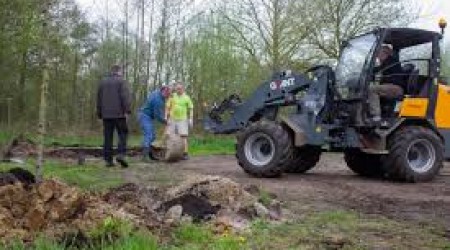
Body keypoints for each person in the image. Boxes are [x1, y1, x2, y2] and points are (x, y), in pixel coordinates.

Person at [96, 65, 131, 167]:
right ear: (119, 71)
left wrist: (99, 113)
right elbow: (125, 97)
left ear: (111, 71)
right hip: (119, 114)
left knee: (107, 137)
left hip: (106, 115)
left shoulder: (102, 82)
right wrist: (127, 110)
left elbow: (98, 98)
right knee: (123, 134)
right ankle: (121, 154)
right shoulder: (122, 81)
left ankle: (108, 160)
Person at [368, 44, 405, 124]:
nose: (377, 57)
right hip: (390, 87)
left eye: (378, 54)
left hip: (396, 88)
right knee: (367, 88)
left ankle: (376, 116)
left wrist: (371, 72)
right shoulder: (385, 63)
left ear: (385, 53)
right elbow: (376, 70)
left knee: (371, 89)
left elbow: (379, 70)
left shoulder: (391, 61)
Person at [138, 85, 171, 162]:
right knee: (149, 135)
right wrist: (165, 122)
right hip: (144, 116)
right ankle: (145, 156)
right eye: (167, 94)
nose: (168, 97)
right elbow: (157, 115)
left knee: (153, 136)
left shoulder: (157, 93)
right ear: (164, 91)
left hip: (147, 117)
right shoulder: (158, 99)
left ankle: (149, 154)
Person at [165, 83, 194, 160]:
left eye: (180, 88)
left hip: (182, 119)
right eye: (177, 88)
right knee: (168, 135)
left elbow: (191, 108)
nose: (178, 90)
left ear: (183, 89)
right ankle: (168, 152)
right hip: (172, 119)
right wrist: (166, 116)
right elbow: (168, 107)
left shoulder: (187, 97)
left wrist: (191, 118)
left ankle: (185, 153)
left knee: (183, 136)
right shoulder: (172, 96)